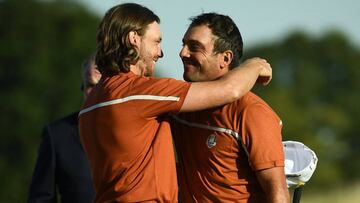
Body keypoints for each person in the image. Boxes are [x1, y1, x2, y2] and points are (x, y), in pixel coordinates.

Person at [79, 3, 272, 203]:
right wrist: (255, 65)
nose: (160, 53)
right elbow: (230, 90)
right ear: (134, 39)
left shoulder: (90, 104)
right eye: (156, 41)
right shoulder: (138, 92)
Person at [171, 13, 290, 203]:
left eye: (194, 47)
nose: (183, 53)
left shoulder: (252, 112)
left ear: (225, 59)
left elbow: (278, 193)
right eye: (184, 44)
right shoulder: (179, 103)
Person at [28, 54, 101, 203]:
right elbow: (40, 198)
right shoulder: (57, 135)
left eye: (102, 85)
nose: (96, 93)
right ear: (83, 87)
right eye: (91, 85)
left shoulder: (136, 134)